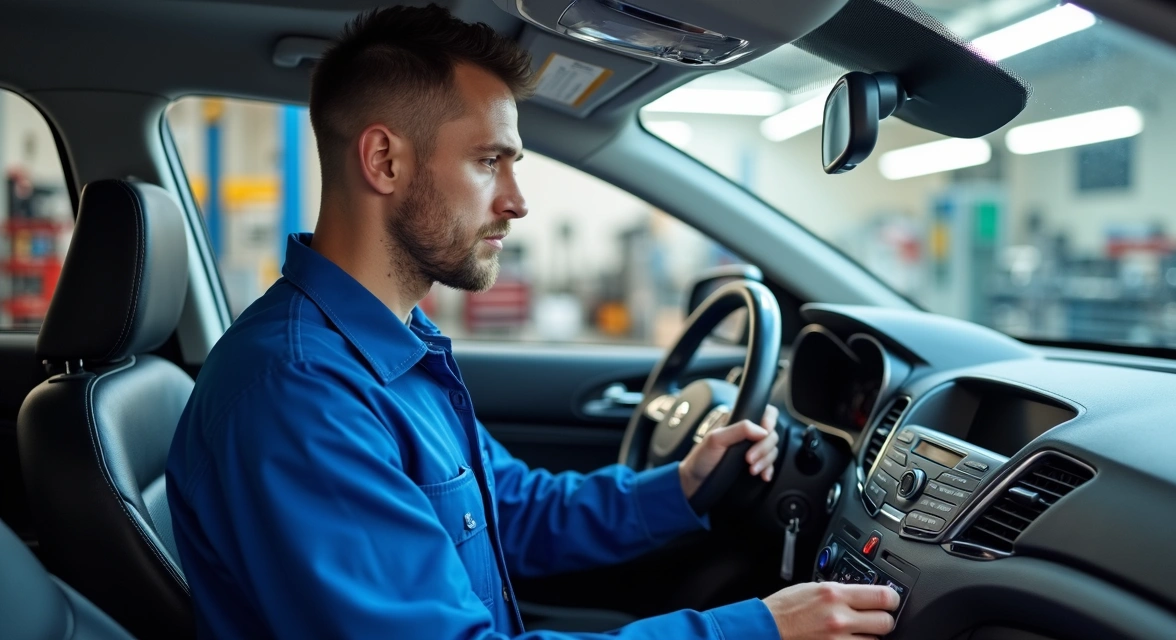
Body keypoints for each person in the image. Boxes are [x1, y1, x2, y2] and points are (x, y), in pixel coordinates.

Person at [165, 5, 899, 639]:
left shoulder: (393, 347)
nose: (517, 201)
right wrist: (758, 629)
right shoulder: (300, 393)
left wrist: (680, 486)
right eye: (490, 161)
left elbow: (507, 512)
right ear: (384, 160)